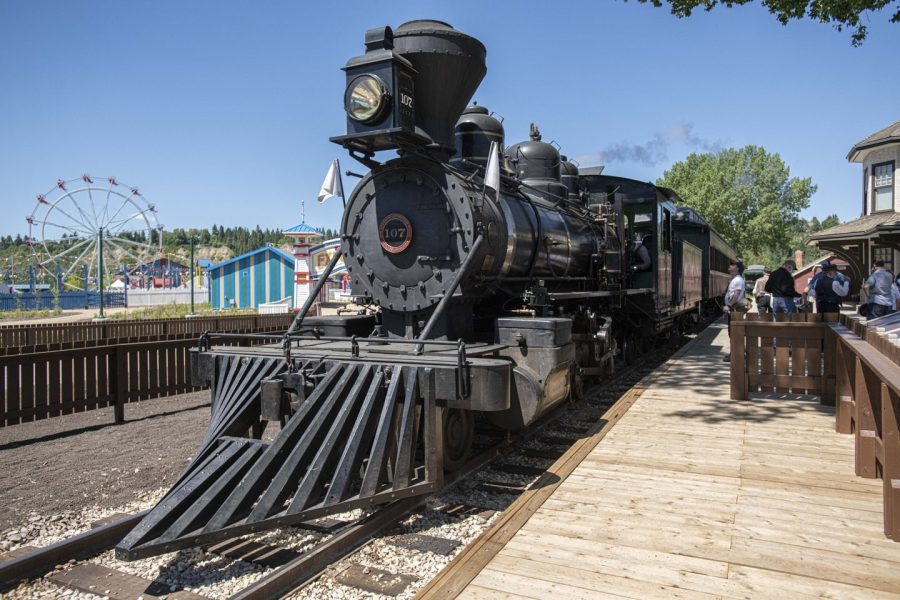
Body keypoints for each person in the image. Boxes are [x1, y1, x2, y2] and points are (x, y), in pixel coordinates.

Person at [722, 259, 746, 361]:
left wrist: (728, 305)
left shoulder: (738, 280)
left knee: (734, 332)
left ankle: (737, 355)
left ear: (737, 268)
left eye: (732, 265)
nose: (730, 266)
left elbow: (736, 294)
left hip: (735, 309)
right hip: (734, 309)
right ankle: (735, 353)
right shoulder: (735, 279)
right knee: (733, 332)